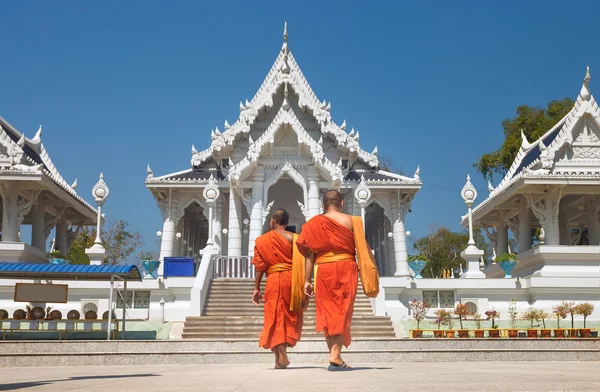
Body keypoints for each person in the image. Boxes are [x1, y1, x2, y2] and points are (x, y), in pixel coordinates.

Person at [297, 189, 379, 371]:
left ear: (322, 205)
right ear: (341, 203)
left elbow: (309, 255)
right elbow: (362, 249)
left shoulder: (313, 224)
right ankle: (335, 356)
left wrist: (306, 280)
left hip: (323, 270)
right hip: (346, 268)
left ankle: (335, 356)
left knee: (328, 313)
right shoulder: (352, 221)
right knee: (342, 311)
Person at [251, 209, 306, 369]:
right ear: (287, 222)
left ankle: (280, 350)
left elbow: (260, 266)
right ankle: (279, 359)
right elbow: (303, 262)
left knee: (274, 316)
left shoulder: (262, 240)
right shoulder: (295, 238)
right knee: (288, 315)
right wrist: (306, 282)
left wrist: (256, 288)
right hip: (292, 279)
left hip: (273, 279)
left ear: (273, 221)